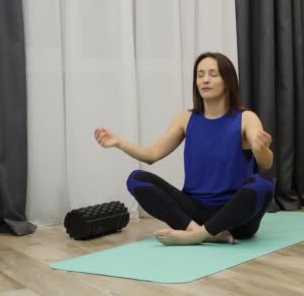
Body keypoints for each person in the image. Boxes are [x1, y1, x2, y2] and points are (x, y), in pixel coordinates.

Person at [94, 52, 274, 246]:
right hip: (194, 212)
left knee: (264, 183)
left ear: (227, 80)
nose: (205, 79)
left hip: (234, 218)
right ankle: (196, 231)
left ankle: (198, 236)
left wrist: (260, 148)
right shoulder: (186, 119)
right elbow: (151, 155)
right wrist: (119, 142)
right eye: (200, 74)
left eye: (213, 74)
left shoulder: (246, 118)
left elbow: (266, 162)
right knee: (136, 179)